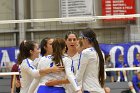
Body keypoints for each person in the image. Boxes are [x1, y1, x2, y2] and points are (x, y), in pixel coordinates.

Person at [75, 28, 105, 93]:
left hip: (90, 90)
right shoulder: (101, 53)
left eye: (82, 38)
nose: (82, 41)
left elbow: (79, 76)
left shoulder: (86, 52)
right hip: (100, 90)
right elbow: (104, 75)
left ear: (85, 39)